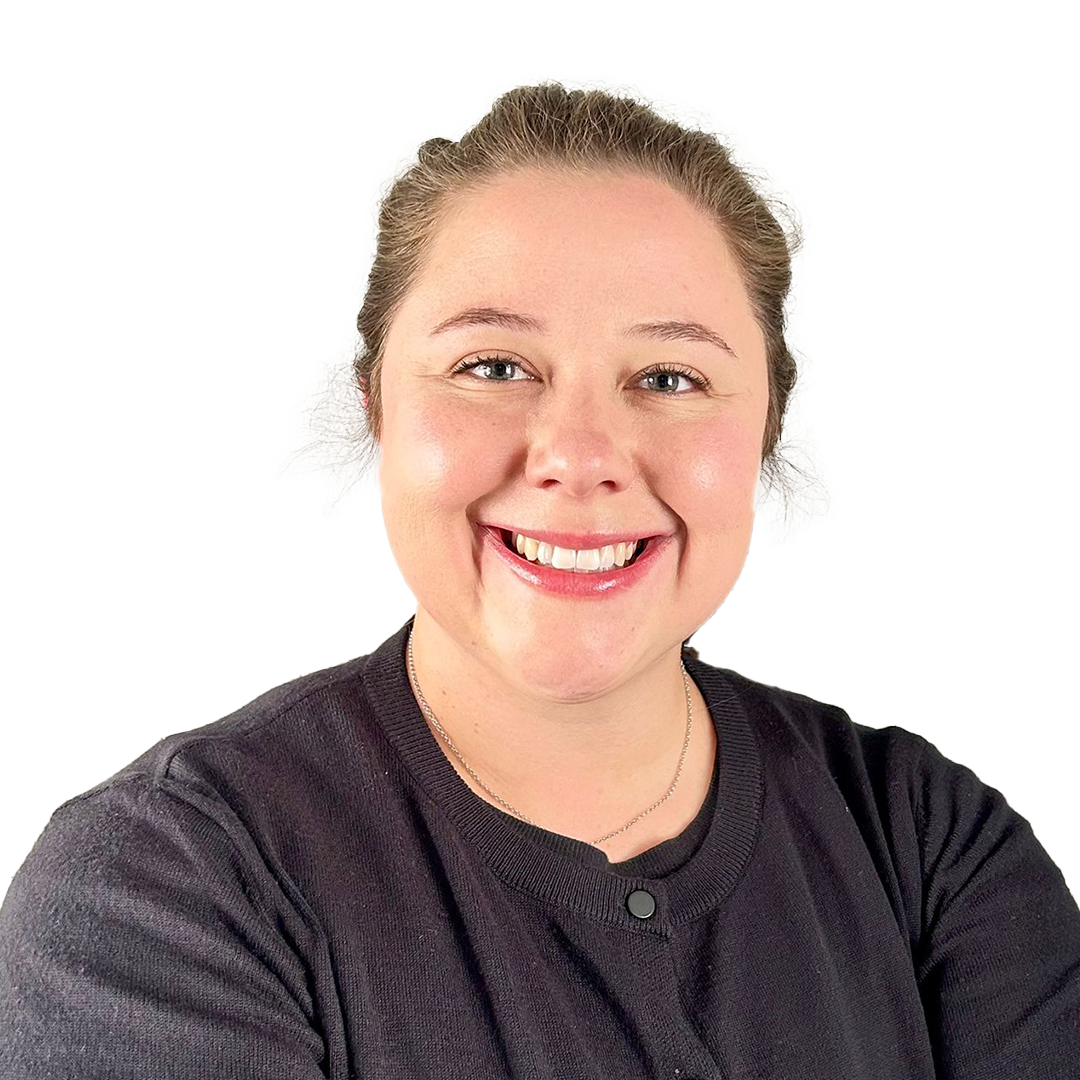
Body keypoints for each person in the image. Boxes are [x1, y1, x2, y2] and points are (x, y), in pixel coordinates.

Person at [2, 79, 1078, 1079]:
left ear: (763, 432)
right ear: (378, 410)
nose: (579, 454)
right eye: (493, 366)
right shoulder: (164, 890)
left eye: (670, 376)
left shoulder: (930, 841)